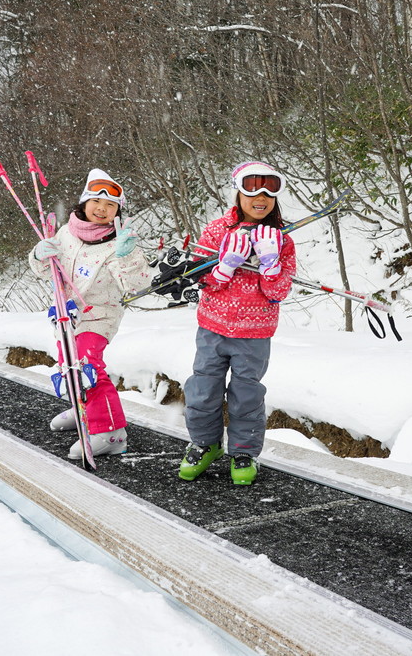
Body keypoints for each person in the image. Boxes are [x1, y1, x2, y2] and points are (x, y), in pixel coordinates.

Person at [177, 162, 296, 487]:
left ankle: (243, 452)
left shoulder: (281, 239)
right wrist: (225, 266)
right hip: (213, 329)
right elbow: (200, 279)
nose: (261, 198)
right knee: (203, 391)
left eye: (269, 192)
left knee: (246, 396)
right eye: (252, 190)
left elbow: (279, 291)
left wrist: (270, 262)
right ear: (239, 192)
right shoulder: (217, 230)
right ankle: (205, 444)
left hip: (254, 335)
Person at [29, 170, 150, 460]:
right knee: (67, 364)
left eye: (110, 206)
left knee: (87, 367)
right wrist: (38, 255)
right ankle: (83, 407)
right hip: (65, 315)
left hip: (99, 315)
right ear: (83, 204)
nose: (102, 209)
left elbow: (137, 286)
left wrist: (127, 256)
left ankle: (111, 432)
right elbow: (46, 270)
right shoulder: (66, 233)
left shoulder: (120, 241)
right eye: (96, 201)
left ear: (117, 212)